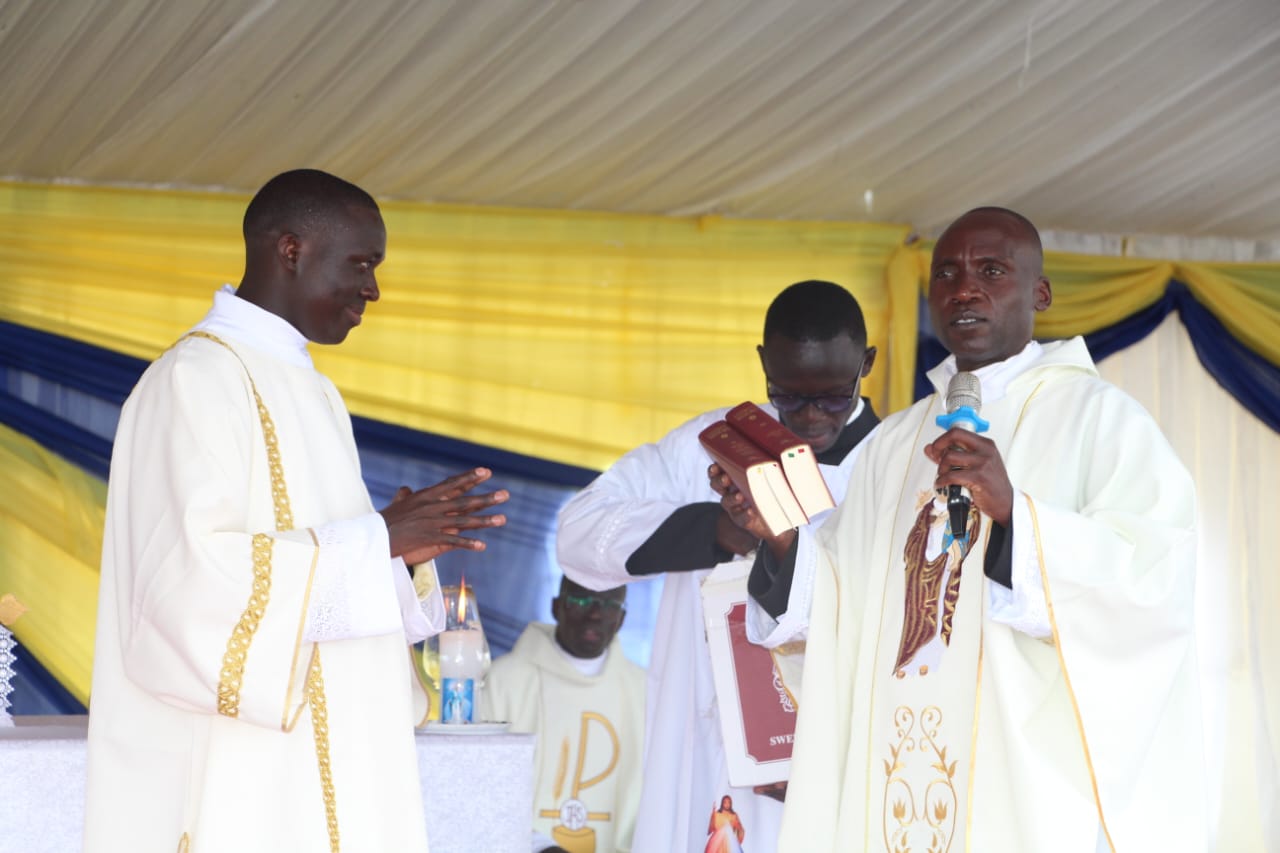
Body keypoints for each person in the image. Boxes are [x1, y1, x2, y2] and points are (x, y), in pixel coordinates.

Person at [84, 169, 510, 853]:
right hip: (248, 782)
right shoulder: (194, 382)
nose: (372, 289)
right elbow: (186, 591)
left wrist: (395, 556)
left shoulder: (317, 394)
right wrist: (376, 542)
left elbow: (339, 581)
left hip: (334, 771)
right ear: (291, 250)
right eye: (362, 263)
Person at [770, 208, 1206, 851]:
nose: (963, 288)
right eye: (945, 273)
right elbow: (840, 602)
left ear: (1040, 294)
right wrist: (775, 533)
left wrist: (1016, 518)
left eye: (990, 271)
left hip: (1020, 782)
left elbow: (1154, 579)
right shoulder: (895, 442)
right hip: (893, 755)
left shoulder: (1101, 420)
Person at [556, 280, 879, 853]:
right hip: (703, 748)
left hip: (831, 766)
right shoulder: (708, 444)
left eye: (830, 396)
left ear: (866, 365)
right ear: (763, 364)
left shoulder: (895, 465)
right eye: (785, 393)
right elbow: (578, 533)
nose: (807, 416)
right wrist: (714, 529)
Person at [482, 577, 645, 853]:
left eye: (609, 605)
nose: (595, 614)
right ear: (557, 607)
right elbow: (479, 782)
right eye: (581, 601)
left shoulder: (644, 691)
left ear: (622, 618)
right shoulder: (504, 680)